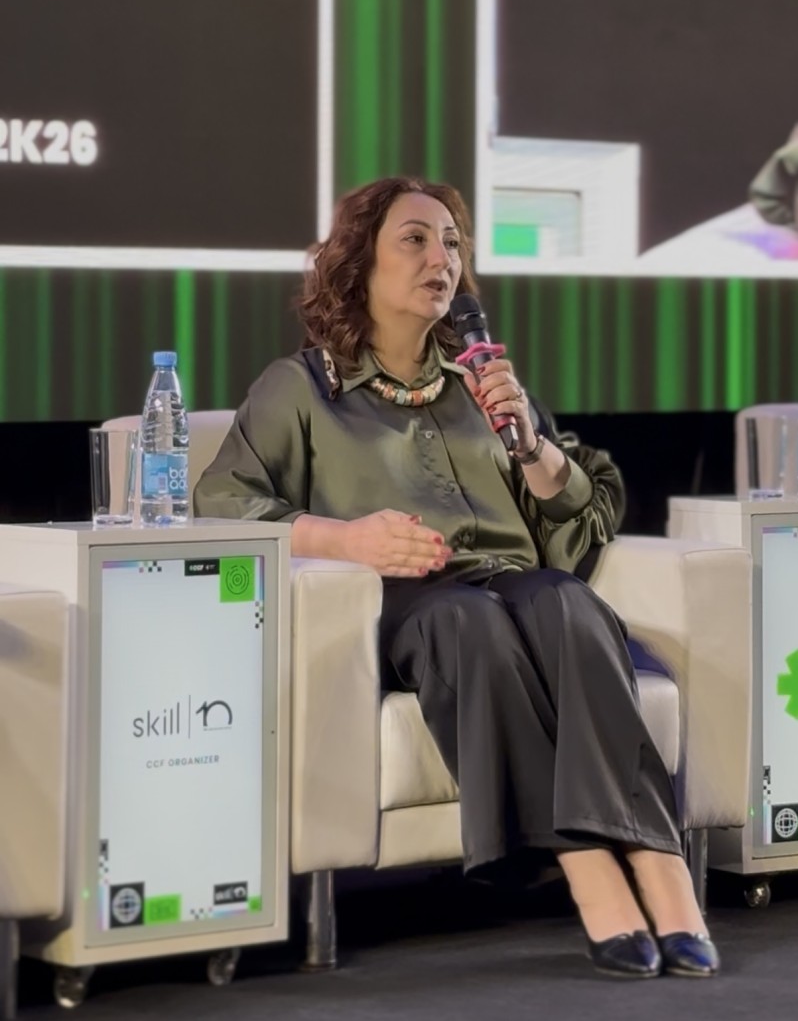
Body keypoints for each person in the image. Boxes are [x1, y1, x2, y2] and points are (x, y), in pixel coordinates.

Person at [194, 175, 719, 979]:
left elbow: (582, 510)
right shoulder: (300, 388)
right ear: (358, 262)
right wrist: (345, 539)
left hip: (511, 580)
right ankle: (590, 871)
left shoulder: (483, 380)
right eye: (414, 239)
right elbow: (223, 504)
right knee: (467, 624)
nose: (440, 258)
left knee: (570, 605)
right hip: (404, 600)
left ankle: (661, 863)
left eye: (451, 243)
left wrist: (532, 445)